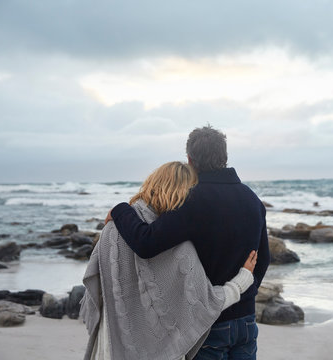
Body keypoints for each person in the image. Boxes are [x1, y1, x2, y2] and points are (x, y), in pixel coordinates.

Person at [106, 126, 270, 359]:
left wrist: (121, 210)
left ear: (190, 160)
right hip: (246, 322)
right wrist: (246, 295)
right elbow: (263, 259)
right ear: (225, 157)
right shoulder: (253, 200)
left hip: (208, 325)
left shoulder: (194, 201)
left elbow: (146, 243)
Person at [81, 161, 258, 360]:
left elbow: (94, 289)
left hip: (109, 347)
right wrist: (241, 281)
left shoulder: (111, 230)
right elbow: (205, 304)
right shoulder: (180, 248)